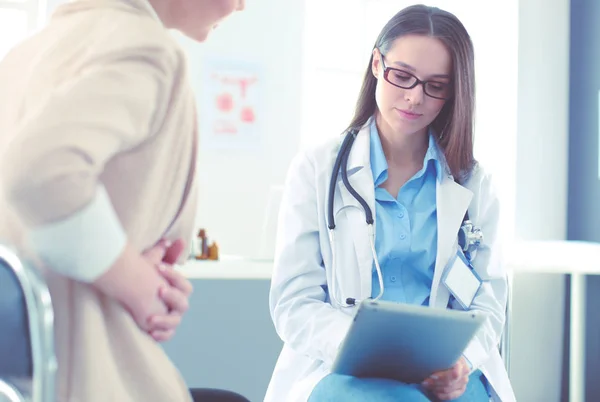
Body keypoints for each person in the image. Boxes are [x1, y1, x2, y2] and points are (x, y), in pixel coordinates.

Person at [265, 4, 515, 402]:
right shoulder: (317, 169)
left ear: (453, 92)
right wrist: (363, 350)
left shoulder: (475, 184)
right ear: (377, 64)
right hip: (346, 369)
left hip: (446, 374)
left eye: (436, 85)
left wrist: (461, 362)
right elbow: (294, 302)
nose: (414, 98)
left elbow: (488, 298)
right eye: (402, 77)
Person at [0, 0, 248, 401]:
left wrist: (153, 282)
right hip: (82, 365)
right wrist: (136, 284)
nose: (242, 5)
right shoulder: (145, 48)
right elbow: (39, 175)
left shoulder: (25, 53)